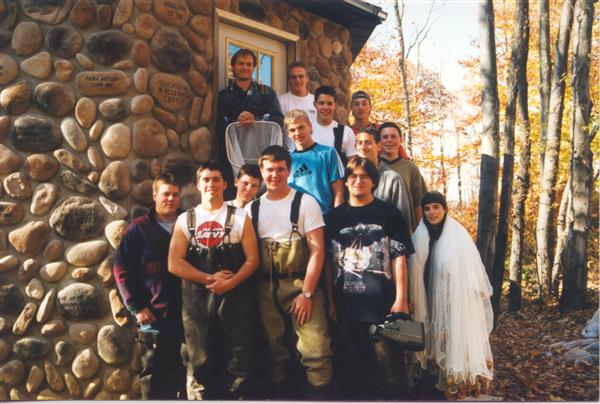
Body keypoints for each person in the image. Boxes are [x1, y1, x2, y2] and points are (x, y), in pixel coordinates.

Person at [168, 162, 260, 399]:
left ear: (225, 184)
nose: (211, 184)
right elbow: (174, 263)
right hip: (197, 302)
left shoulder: (240, 217)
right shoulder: (185, 220)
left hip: (236, 299)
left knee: (239, 360)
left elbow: (253, 259)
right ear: (198, 185)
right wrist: (209, 278)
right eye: (206, 180)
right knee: (200, 360)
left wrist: (231, 282)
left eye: (216, 179)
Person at [325, 157, 414, 400]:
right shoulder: (334, 217)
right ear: (346, 181)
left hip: (382, 304)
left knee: (389, 369)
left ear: (373, 182)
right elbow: (327, 263)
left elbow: (399, 258)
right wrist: (331, 302)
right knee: (352, 370)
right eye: (353, 176)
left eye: (364, 177)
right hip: (346, 306)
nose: (358, 181)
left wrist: (401, 299)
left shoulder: (389, 213)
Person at [249, 145, 333, 399]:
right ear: (262, 171)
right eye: (269, 170)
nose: (275, 175)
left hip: (301, 285)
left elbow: (318, 251)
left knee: (316, 349)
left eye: (280, 169)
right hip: (264, 290)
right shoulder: (251, 209)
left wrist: (307, 294)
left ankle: (321, 395)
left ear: (289, 170)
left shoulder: (306, 202)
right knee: (273, 351)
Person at [408, 192, 494, 399]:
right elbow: (413, 272)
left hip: (452, 300)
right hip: (425, 300)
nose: (431, 212)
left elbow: (472, 271)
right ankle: (428, 386)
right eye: (427, 208)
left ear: (445, 209)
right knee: (428, 342)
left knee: (448, 343)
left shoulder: (458, 235)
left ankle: (451, 386)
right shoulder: (418, 236)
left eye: (436, 207)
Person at [113, 173, 186, 399]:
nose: (171, 199)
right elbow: (121, 271)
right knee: (154, 377)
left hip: (188, 314)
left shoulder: (189, 223)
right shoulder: (138, 230)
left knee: (186, 375)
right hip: (154, 316)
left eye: (175, 194)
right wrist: (137, 307)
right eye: (166, 194)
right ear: (155, 195)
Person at [216, 48, 284, 199]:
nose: (245, 67)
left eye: (249, 64)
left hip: (261, 157)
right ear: (233, 66)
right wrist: (236, 121)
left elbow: (278, 119)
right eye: (241, 64)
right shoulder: (224, 95)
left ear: (253, 68)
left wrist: (256, 119)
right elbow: (219, 125)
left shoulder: (267, 93)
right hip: (233, 160)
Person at [355, 128, 415, 232]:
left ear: (379, 146)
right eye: (359, 143)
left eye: (368, 143)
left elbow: (403, 221)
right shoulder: (350, 179)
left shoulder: (393, 180)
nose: (363, 147)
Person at [286, 109, 344, 214]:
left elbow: (339, 190)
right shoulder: (287, 160)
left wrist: (337, 216)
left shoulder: (328, 153)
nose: (297, 133)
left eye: (301, 127)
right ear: (288, 133)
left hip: (324, 216)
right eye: (292, 130)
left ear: (310, 126)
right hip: (297, 220)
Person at [378, 122, 427, 231]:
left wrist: (420, 231)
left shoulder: (410, 167)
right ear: (379, 142)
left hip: (405, 225)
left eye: (393, 136)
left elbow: (418, 201)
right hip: (379, 225)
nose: (389, 140)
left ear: (401, 140)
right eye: (385, 137)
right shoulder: (374, 166)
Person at [350, 91, 410, 160]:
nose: (360, 107)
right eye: (356, 104)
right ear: (351, 108)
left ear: (370, 107)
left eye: (364, 104)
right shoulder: (347, 132)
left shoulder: (381, 130)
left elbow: (404, 159)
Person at [312, 85, 357, 165]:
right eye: (321, 103)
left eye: (329, 103)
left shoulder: (346, 132)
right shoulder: (306, 131)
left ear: (335, 105)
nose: (325, 107)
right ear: (315, 104)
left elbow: (352, 165)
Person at [279, 62, 316, 150]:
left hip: (314, 153)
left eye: (301, 76)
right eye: (293, 77)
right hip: (291, 155)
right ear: (289, 80)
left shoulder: (316, 101)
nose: (297, 80)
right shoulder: (280, 101)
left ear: (307, 78)